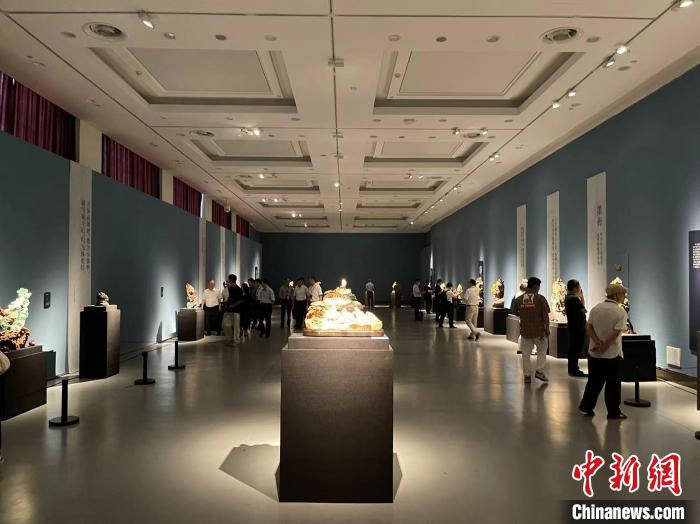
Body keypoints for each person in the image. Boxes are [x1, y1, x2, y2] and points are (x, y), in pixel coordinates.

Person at [578, 283, 629, 420]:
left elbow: (588, 326)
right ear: (617, 295)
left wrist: (597, 341)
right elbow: (616, 332)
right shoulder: (620, 312)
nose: (624, 297)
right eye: (623, 294)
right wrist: (605, 345)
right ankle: (613, 411)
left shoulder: (596, 308)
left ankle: (586, 406)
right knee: (613, 384)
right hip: (612, 354)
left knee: (593, 382)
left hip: (594, 352)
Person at [513, 277, 550, 384]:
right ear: (536, 286)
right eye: (538, 287)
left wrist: (525, 315)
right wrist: (547, 329)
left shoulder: (519, 299)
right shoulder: (540, 299)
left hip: (525, 331)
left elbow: (514, 312)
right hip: (539, 331)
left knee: (525, 353)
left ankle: (527, 375)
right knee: (542, 351)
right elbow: (545, 316)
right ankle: (539, 371)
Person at [564, 279, 588, 377]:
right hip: (578, 327)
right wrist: (581, 297)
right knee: (576, 348)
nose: (580, 289)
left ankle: (572, 368)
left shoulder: (568, 298)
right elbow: (584, 310)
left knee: (573, 348)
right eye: (579, 287)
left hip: (573, 326)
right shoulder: (574, 299)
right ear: (574, 288)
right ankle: (574, 369)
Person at [221, 275, 243, 346]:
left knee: (236, 326)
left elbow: (241, 300)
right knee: (224, 324)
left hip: (236, 310)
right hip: (229, 309)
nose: (228, 281)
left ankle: (236, 341)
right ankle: (230, 338)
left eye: (229, 280)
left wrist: (233, 305)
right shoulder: (230, 288)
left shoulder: (238, 289)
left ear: (232, 280)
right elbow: (229, 297)